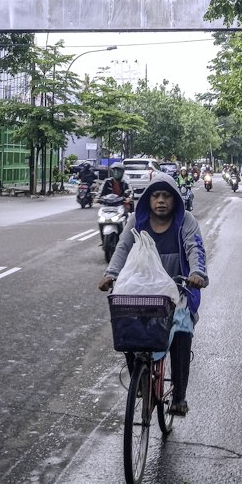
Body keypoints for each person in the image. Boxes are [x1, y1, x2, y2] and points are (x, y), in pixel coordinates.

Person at [99, 171, 207, 416]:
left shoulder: (186, 221)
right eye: (156, 195)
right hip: (143, 288)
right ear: (148, 199)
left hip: (178, 289)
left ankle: (179, 396)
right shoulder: (137, 220)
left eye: (166, 196)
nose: (161, 201)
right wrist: (110, 274)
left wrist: (197, 273)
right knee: (126, 323)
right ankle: (142, 376)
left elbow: (195, 249)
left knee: (181, 331)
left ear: (175, 200)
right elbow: (123, 247)